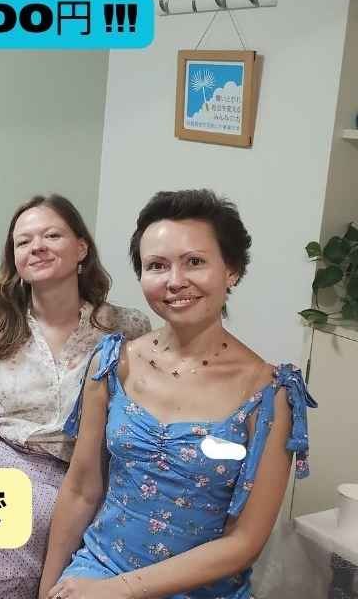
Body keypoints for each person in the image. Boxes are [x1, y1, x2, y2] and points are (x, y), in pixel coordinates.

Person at [39, 190, 317, 599]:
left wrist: (121, 590)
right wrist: (48, 589)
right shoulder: (114, 362)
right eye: (156, 265)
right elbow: (82, 489)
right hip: (99, 567)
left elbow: (245, 542)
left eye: (195, 262)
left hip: (201, 588)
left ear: (232, 270)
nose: (174, 281)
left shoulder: (268, 393)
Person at [0, 194, 151, 599]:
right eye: (23, 241)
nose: (37, 247)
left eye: (52, 235)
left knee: (15, 522)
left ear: (81, 248)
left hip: (78, 474)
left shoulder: (123, 328)